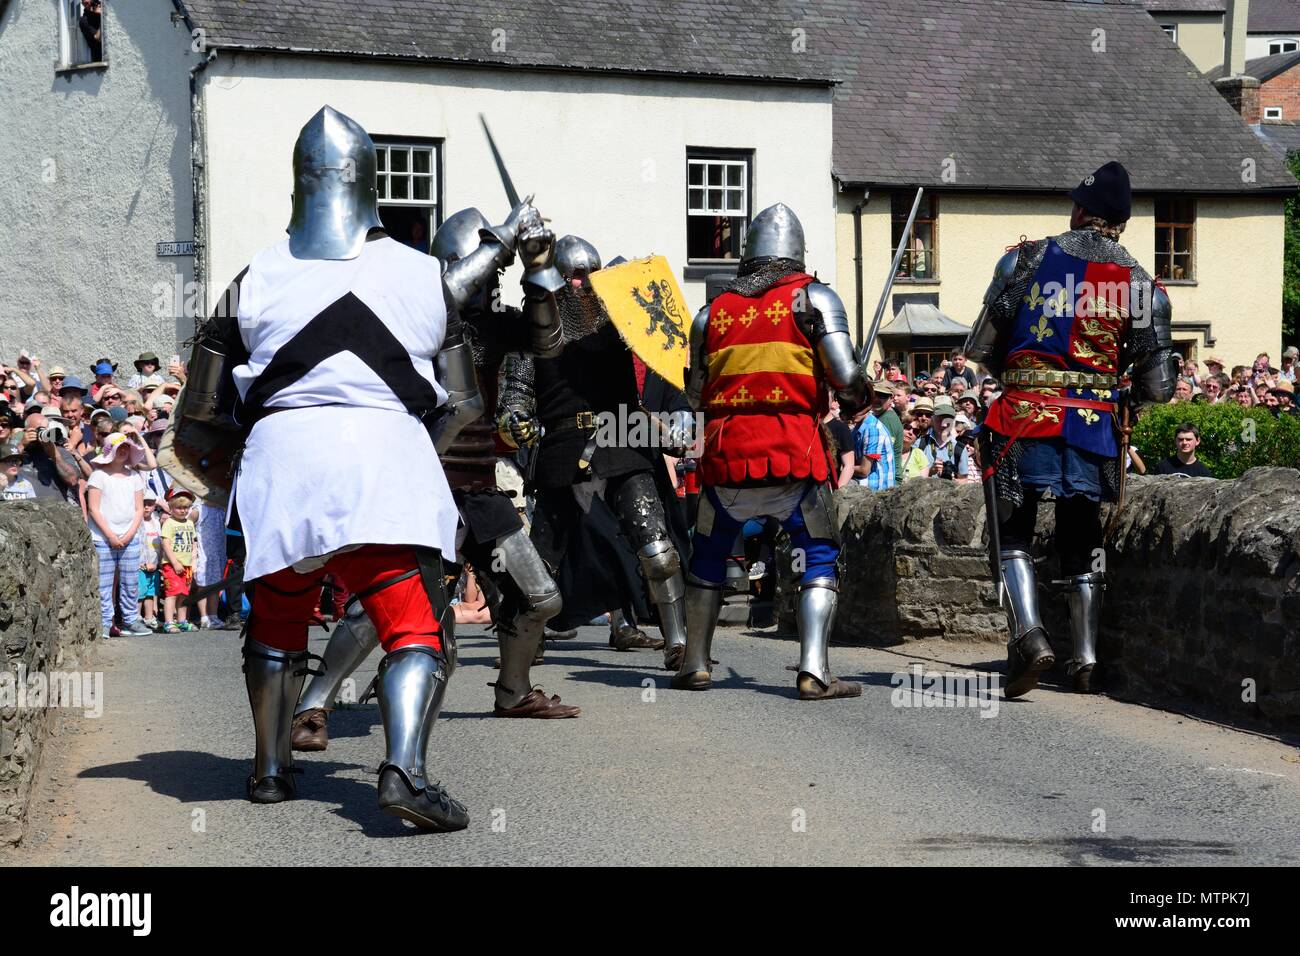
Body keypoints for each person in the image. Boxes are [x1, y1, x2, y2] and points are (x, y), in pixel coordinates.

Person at [180, 106, 478, 828]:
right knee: (415, 630)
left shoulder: (253, 279)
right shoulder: (425, 274)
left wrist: (242, 473)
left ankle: (270, 767)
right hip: (384, 461)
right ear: (371, 182)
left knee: (277, 620)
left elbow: (199, 418)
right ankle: (405, 771)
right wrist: (410, 450)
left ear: (299, 184)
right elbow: (463, 403)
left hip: (282, 465)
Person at [290, 201, 577, 752]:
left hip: (478, 484)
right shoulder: (414, 314)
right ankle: (313, 706)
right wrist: (501, 244)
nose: (494, 280)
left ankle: (513, 692)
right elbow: (446, 296)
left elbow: (550, 343)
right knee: (379, 607)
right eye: (489, 269)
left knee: (540, 598)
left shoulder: (495, 329)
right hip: (420, 473)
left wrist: (539, 267)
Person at [964, 160, 1177, 697]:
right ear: (1121, 222)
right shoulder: (1140, 285)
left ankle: (1031, 635)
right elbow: (1159, 387)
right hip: (1093, 425)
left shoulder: (1025, 260)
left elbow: (980, 348)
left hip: (1022, 418)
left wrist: (1026, 372)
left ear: (1081, 211)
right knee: (1080, 539)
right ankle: (1084, 659)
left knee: (1012, 533)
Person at [676, 203, 869, 699]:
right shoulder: (814, 298)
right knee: (819, 557)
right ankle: (812, 671)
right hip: (794, 455)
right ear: (795, 253)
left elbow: (696, 395)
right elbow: (847, 379)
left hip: (727, 459)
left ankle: (695, 663)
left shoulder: (711, 313)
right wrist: (856, 392)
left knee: (708, 559)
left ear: (749, 254)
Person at [498, 235, 692, 671]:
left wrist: (675, 424)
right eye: (577, 277)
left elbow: (665, 351)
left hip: (623, 443)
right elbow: (513, 398)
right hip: (563, 452)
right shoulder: (534, 329)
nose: (585, 285)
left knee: (657, 548)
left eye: (592, 275)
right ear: (561, 280)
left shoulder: (621, 323)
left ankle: (678, 641)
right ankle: (525, 647)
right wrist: (517, 422)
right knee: (539, 563)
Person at [87, 433, 153, 639]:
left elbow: (139, 509)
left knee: (130, 581)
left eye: (127, 448)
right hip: (103, 538)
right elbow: (93, 509)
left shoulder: (134, 476)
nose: (123, 451)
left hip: (129, 536)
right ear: (110, 452)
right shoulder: (98, 476)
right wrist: (111, 535)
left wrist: (129, 534)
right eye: (119, 448)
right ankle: (105, 622)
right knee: (104, 583)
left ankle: (131, 619)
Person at [902, 400, 970, 480]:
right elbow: (911, 474)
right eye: (940, 420)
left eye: (948, 421)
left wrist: (952, 480)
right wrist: (930, 471)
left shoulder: (960, 449)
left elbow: (963, 480)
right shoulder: (920, 443)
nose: (944, 425)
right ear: (933, 420)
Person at [160, 488, 198, 633]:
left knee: (184, 594)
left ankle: (182, 621)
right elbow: (166, 544)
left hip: (187, 565)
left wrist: (194, 561)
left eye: (186, 507)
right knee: (172, 593)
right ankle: (169, 622)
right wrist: (175, 562)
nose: (183, 511)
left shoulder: (189, 523)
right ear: (171, 508)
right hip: (172, 564)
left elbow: (194, 543)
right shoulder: (169, 523)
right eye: (179, 508)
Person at [137, 489, 163, 630]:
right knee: (139, 592)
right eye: (143, 504)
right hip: (141, 565)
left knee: (150, 593)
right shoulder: (137, 522)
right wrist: (144, 562)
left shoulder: (156, 522)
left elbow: (158, 544)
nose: (146, 507)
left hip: (154, 565)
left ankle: (149, 618)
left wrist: (157, 562)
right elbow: (140, 545)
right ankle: (136, 617)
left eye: (150, 504)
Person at [823, 395, 856, 489]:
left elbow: (849, 465)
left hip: (829, 488)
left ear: (833, 402)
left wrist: (837, 491)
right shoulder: (810, 425)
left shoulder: (841, 428)